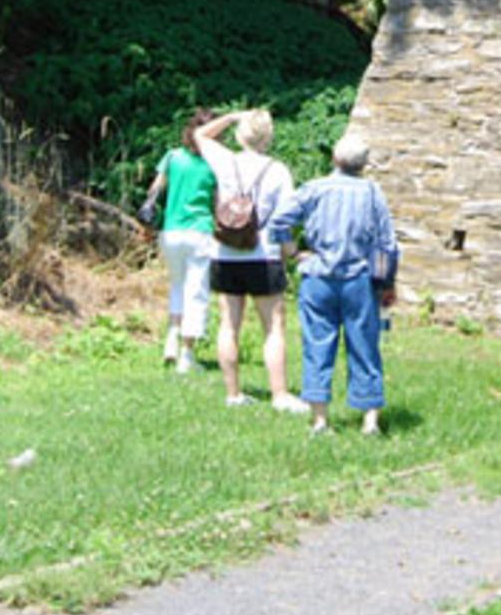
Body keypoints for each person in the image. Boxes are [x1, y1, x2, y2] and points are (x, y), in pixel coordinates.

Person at [268, 130, 397, 436]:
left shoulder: (314, 188)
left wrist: (293, 252)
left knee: (317, 345)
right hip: (360, 280)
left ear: (334, 159)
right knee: (365, 347)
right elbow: (387, 243)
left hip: (318, 278)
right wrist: (386, 285)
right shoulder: (372, 193)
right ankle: (370, 420)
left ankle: (321, 420)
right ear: (364, 164)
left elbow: (278, 221)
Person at [204, 109, 306, 411]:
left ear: (240, 135)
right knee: (273, 327)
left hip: (224, 252)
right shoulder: (278, 170)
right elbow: (285, 219)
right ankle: (280, 395)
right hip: (263, 254)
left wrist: (233, 116)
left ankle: (233, 393)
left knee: (228, 325)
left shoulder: (225, 161)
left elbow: (200, 135)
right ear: (269, 137)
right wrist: (291, 251)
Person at [140, 107, 243, 375]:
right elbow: (221, 203)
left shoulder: (173, 157)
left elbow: (154, 191)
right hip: (200, 231)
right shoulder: (214, 165)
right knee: (196, 292)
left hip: (170, 231)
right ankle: (187, 353)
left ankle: (171, 339)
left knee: (177, 285)